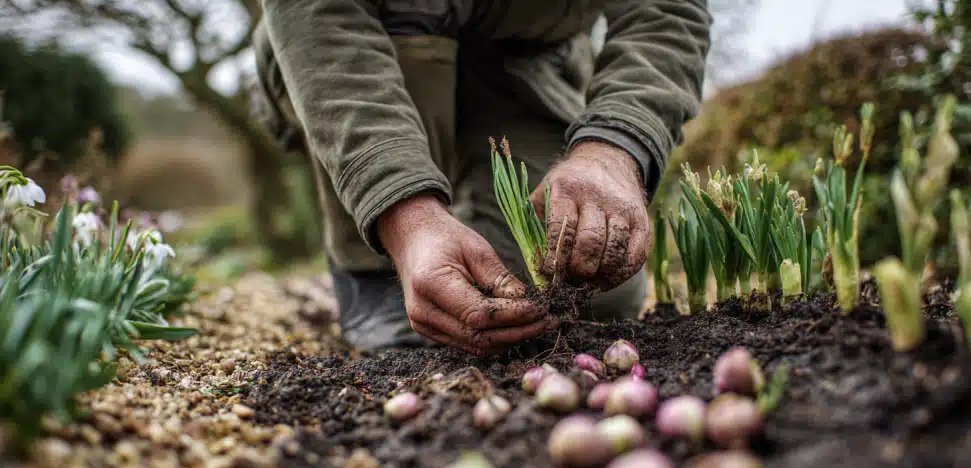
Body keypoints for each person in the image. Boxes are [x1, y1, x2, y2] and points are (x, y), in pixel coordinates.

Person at [252, 1, 712, 355]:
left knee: (585, 292)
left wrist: (614, 147)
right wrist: (403, 215)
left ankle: (457, 228)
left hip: (524, 53)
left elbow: (665, 12)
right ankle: (373, 270)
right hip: (361, 44)